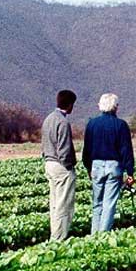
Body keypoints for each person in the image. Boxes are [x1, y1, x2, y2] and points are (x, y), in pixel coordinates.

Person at [81, 93, 135, 234]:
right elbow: (126, 150)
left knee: (96, 203)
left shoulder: (92, 124)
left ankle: (94, 234)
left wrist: (88, 167)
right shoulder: (121, 125)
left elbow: (86, 149)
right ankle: (103, 236)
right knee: (109, 203)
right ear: (115, 107)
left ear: (100, 106)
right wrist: (130, 172)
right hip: (114, 166)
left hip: (96, 166)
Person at [41, 89, 78, 240]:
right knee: (64, 205)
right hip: (61, 166)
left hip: (49, 163)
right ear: (69, 105)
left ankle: (54, 235)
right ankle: (59, 239)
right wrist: (70, 167)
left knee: (55, 204)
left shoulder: (48, 119)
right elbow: (64, 149)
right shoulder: (63, 122)